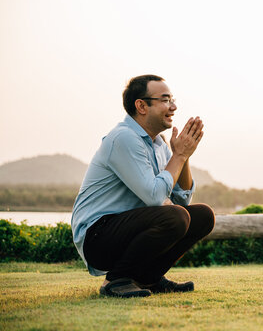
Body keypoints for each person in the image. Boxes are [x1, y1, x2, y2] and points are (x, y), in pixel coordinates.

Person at [71, 74, 215, 298]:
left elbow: (181, 201)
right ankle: (116, 280)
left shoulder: (159, 143)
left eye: (172, 99)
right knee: (175, 217)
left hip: (130, 230)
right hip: (98, 237)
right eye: (165, 100)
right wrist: (178, 155)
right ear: (141, 106)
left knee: (202, 216)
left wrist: (183, 157)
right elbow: (156, 198)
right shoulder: (124, 138)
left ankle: (148, 278)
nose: (173, 106)